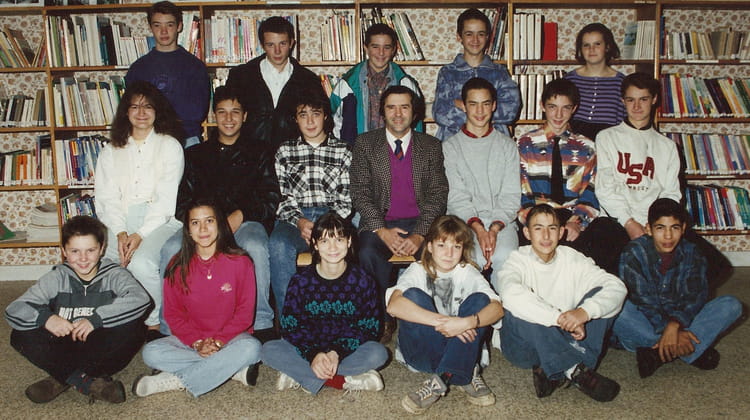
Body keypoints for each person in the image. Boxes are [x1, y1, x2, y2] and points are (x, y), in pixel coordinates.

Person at [160, 86, 279, 337]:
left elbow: (270, 198)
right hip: (203, 225)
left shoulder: (260, 152)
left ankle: (262, 322)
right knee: (170, 248)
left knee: (256, 246)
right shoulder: (195, 155)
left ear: (245, 116)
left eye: (235, 112)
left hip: (245, 222)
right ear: (213, 116)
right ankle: (168, 326)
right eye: (222, 112)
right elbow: (182, 204)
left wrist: (241, 214)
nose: (228, 118)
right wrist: (205, 223)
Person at [5, 216, 151, 404]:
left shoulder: (115, 274)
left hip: (100, 345)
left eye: (90, 250)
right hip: (66, 344)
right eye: (75, 251)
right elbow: (15, 308)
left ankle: (62, 376)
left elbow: (140, 298)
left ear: (102, 248)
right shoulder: (57, 277)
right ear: (64, 251)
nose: (83, 259)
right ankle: (87, 382)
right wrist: (47, 318)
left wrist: (96, 320)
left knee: (137, 327)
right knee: (19, 335)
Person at [498, 204, 626, 402]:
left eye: (552, 228)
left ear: (561, 232)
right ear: (527, 233)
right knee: (517, 308)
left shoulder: (572, 258)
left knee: (602, 295)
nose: (546, 235)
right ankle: (574, 369)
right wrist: (559, 318)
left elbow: (617, 287)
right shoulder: (517, 260)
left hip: (568, 338)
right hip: (524, 349)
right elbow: (510, 293)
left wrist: (584, 312)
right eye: (538, 228)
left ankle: (553, 369)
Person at [132, 200, 261, 397]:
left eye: (209, 221)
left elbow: (245, 315)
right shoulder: (177, 265)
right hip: (192, 342)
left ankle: (177, 380)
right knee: (151, 352)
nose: (203, 228)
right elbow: (173, 315)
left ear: (220, 224)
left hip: (231, 339)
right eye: (195, 223)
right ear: (188, 230)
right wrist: (198, 342)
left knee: (252, 349)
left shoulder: (241, 262)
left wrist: (218, 342)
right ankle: (230, 369)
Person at [351, 85, 449, 342]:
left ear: (414, 112)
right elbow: (359, 191)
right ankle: (381, 316)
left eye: (404, 107)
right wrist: (381, 231)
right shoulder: (365, 144)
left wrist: (419, 234)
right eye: (391, 107)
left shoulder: (431, 146)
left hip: (420, 222)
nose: (397, 114)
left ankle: (430, 317)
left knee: (439, 251)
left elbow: (438, 194)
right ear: (382, 112)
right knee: (367, 252)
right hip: (380, 222)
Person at [612, 198, 742, 378]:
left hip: (680, 319)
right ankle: (687, 348)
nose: (668, 236)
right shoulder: (633, 252)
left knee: (731, 304)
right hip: (645, 323)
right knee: (619, 309)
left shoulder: (693, 252)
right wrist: (670, 329)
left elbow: (695, 296)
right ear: (648, 229)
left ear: (683, 228)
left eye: (674, 228)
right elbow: (643, 302)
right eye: (660, 228)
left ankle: (657, 354)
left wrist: (675, 324)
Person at [94, 80, 185, 339]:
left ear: (157, 111)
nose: (141, 112)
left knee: (141, 263)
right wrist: (121, 232)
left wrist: (139, 235)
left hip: (160, 220)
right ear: (126, 111)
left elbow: (165, 200)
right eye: (135, 106)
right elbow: (106, 197)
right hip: (119, 220)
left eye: (148, 107)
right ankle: (115, 319)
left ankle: (154, 322)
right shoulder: (111, 149)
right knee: (98, 263)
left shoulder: (170, 146)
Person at [386, 215, 502, 414]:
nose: (449, 253)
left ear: (463, 249)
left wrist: (468, 322)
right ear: (430, 246)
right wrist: (449, 323)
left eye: (456, 247)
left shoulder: (468, 272)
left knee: (481, 300)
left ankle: (442, 378)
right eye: (442, 245)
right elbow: (393, 306)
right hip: (422, 353)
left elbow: (497, 309)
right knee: (412, 295)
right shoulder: (417, 269)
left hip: (461, 344)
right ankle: (466, 371)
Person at [262, 212, 387, 395]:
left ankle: (300, 374)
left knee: (379, 353)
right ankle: (342, 380)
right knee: (268, 350)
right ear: (315, 244)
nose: (332, 247)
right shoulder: (301, 281)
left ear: (349, 242)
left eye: (339, 240)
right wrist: (313, 354)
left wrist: (337, 352)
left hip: (346, 351)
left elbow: (369, 328)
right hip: (310, 348)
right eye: (324, 241)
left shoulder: (363, 280)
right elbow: (290, 326)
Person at [516, 78, 622, 274]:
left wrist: (576, 222)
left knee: (607, 233)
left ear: (574, 109)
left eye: (565, 108)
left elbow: (591, 191)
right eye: (552, 107)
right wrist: (539, 225)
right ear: (542, 106)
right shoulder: (525, 143)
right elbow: (522, 191)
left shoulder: (587, 147)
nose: (558, 115)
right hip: (538, 215)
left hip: (571, 215)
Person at [269, 90, 352, 315]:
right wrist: (300, 222)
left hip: (332, 219)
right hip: (294, 219)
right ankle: (290, 318)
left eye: (315, 114)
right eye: (303, 115)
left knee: (343, 245)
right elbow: (281, 197)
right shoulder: (285, 151)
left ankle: (339, 315)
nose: (310, 121)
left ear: (325, 116)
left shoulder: (343, 151)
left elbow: (345, 200)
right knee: (278, 244)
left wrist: (324, 227)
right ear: (295, 120)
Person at [443, 77, 520, 283]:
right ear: (463, 106)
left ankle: (505, 304)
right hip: (464, 223)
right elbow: (455, 197)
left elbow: (511, 195)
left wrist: (493, 229)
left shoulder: (507, 146)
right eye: (473, 104)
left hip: (501, 223)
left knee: (506, 259)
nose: (479, 111)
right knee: (471, 259)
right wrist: (478, 229)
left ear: (494, 106)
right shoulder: (449, 148)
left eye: (485, 104)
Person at [596, 72, 681, 241]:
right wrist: (628, 222)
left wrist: (657, 225)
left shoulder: (668, 146)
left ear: (654, 99)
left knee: (703, 254)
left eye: (643, 99)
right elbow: (604, 190)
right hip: (616, 220)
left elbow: (671, 194)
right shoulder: (606, 137)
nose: (636, 106)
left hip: (654, 224)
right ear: (622, 101)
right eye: (630, 100)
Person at [225, 16, 326, 153]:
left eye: (282, 44)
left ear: (291, 43)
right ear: (262, 45)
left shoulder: (308, 80)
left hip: (294, 156)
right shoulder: (241, 76)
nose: (277, 51)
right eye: (270, 45)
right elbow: (229, 117)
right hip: (249, 156)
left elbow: (321, 120)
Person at [125, 1, 209, 148]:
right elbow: (133, 110)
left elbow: (197, 112)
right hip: (148, 140)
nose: (163, 31)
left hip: (187, 140)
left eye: (169, 25)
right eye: (157, 25)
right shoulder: (138, 68)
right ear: (150, 27)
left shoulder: (195, 67)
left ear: (179, 26)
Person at [433, 8, 520, 140]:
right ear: (459, 37)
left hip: (493, 142)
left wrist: (462, 106)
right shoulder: (448, 72)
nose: (475, 40)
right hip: (455, 141)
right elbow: (440, 113)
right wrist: (486, 111)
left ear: (487, 37)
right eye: (469, 34)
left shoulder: (499, 72)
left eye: (480, 34)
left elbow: (510, 111)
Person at [330, 23, 423, 144]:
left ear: (394, 49)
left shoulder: (406, 85)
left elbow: (416, 125)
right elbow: (333, 121)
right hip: (357, 151)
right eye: (375, 47)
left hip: (396, 151)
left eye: (387, 47)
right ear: (366, 48)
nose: (381, 53)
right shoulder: (347, 84)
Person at [564, 23, 626, 140]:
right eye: (586, 45)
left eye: (597, 44)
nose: (591, 49)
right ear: (580, 49)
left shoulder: (621, 82)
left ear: (607, 47)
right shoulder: (570, 80)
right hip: (575, 143)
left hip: (609, 142)